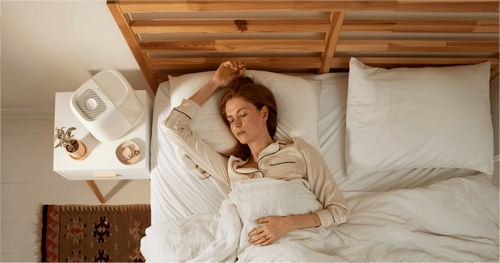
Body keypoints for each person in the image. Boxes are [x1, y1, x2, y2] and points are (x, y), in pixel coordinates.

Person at [161, 60, 351, 247]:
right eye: (230, 119)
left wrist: (287, 224)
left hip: (302, 244)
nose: (236, 125)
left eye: (242, 114)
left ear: (264, 113)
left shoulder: (299, 151)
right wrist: (215, 82)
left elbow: (339, 211)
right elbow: (173, 126)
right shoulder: (232, 169)